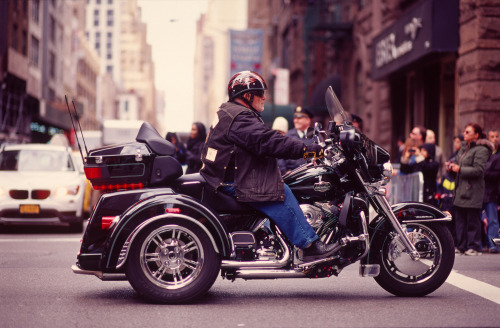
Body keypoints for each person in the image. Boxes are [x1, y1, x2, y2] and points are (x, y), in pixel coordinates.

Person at [200, 70, 336, 261]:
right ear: (247, 96)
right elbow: (270, 141)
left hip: (224, 177)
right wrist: (309, 149)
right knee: (281, 191)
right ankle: (309, 245)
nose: (264, 97)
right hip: (231, 182)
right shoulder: (239, 117)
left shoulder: (230, 112)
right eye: (260, 93)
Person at [447, 123, 494, 256]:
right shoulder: (463, 148)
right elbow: (457, 166)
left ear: (476, 135)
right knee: (460, 219)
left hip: (473, 189)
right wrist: (451, 167)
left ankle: (473, 246)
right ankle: (461, 246)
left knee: (472, 219)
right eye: (465, 131)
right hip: (460, 188)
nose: (465, 134)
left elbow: (479, 170)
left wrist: (460, 169)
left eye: (468, 132)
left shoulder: (481, 150)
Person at [281, 106, 314, 173]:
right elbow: (280, 156)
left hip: (311, 175)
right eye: (295, 118)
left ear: (308, 120)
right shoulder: (288, 136)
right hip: (292, 175)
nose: (296, 120)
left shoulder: (316, 136)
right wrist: (285, 171)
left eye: (299, 118)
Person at [482, 130, 500, 253]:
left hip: (493, 192)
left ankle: (493, 244)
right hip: (481, 192)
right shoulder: (486, 154)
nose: (494, 139)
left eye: (496, 136)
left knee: (493, 219)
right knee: (481, 219)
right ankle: (483, 243)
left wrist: (484, 173)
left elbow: (496, 174)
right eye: (492, 136)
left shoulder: (498, 156)